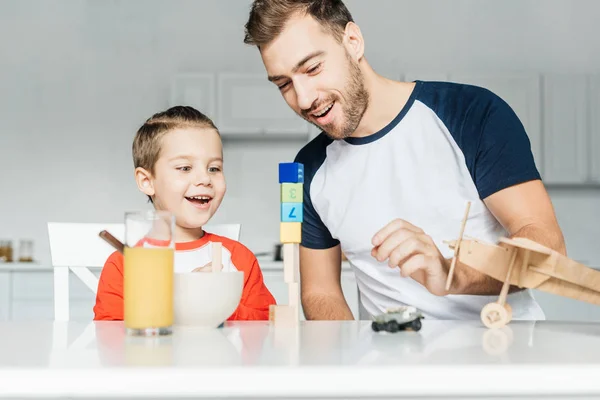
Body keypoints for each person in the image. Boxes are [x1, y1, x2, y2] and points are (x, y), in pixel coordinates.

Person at [242, 0, 566, 321]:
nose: (303, 98)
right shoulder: (309, 167)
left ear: (352, 41)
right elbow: (320, 292)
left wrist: (453, 275)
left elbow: (547, 251)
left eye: (312, 69)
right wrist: (346, 363)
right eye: (284, 84)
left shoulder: (470, 114)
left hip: (505, 355)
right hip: (388, 367)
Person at [94, 106, 276, 321]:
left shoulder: (238, 258)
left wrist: (221, 306)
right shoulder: (123, 265)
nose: (205, 179)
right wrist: (185, 302)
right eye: (185, 168)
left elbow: (266, 329)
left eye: (214, 168)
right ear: (147, 181)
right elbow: (109, 339)